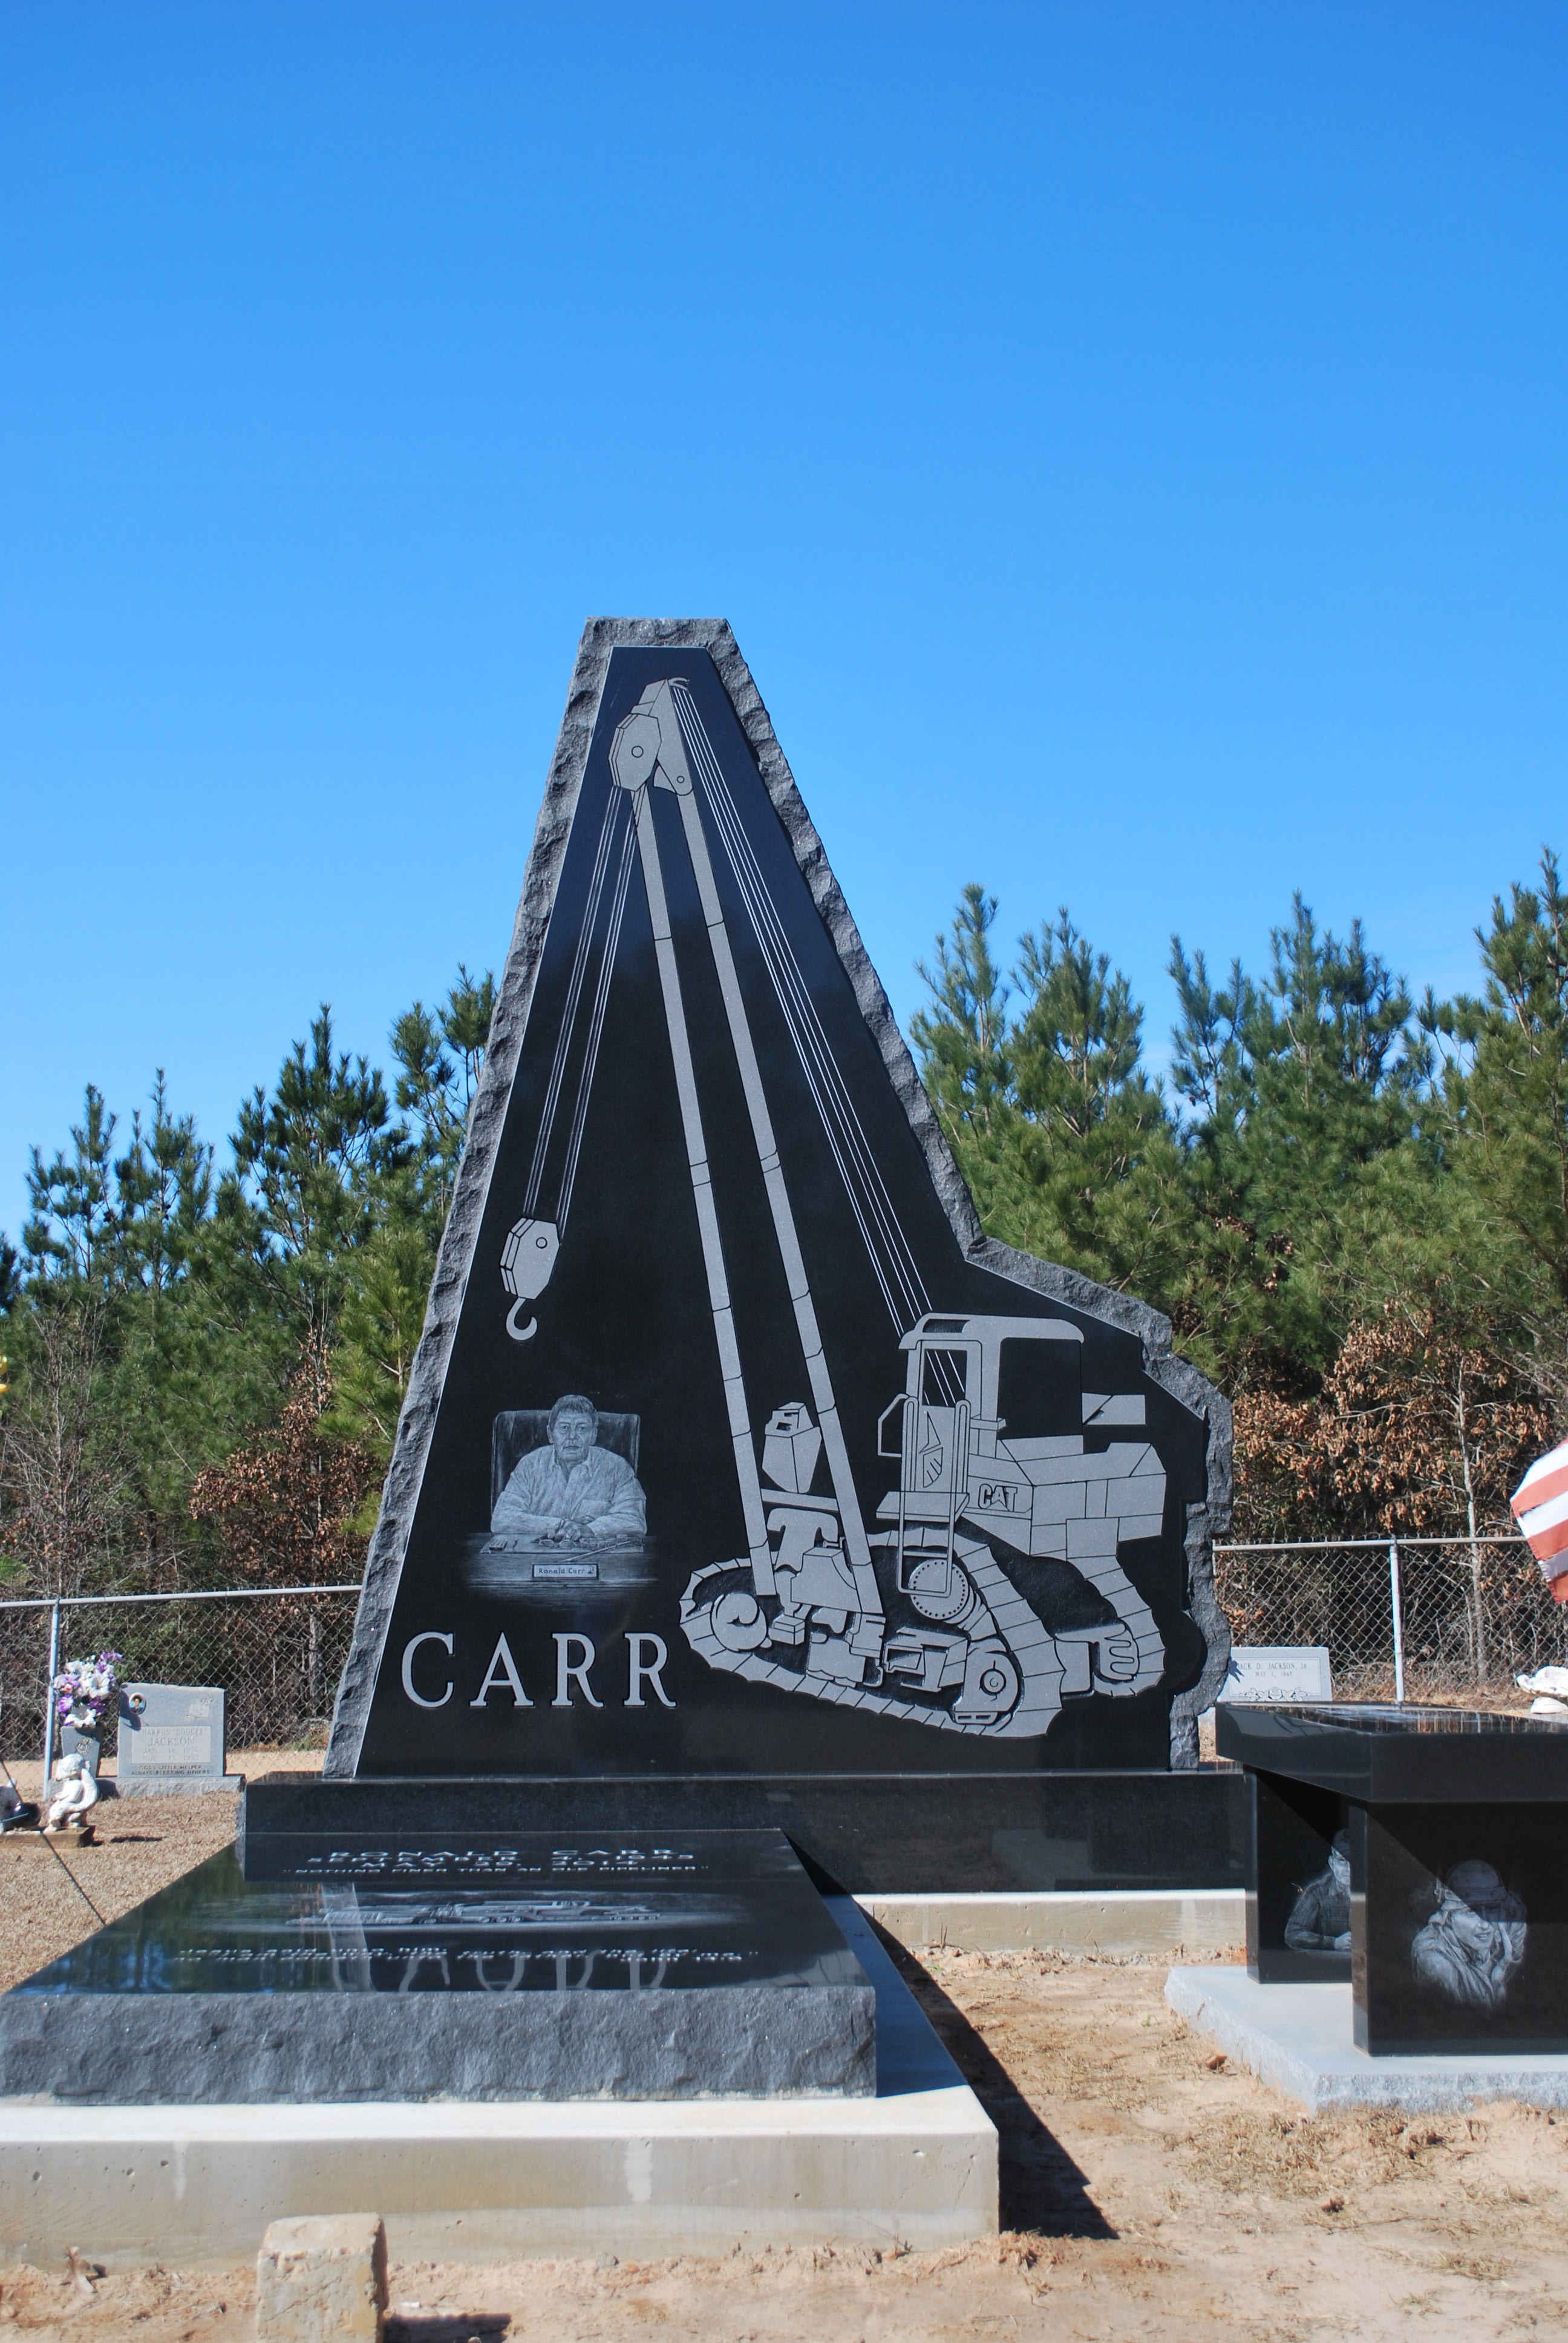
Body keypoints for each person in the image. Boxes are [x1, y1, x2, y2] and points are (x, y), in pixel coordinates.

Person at [491, 1394, 647, 1547]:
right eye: (564, 1428)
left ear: (594, 1435)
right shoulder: (530, 1465)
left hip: (596, 1560)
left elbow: (635, 1520)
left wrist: (590, 1529)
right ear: (550, 1434)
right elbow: (501, 1518)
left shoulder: (617, 1468)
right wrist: (561, 1524)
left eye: (582, 1428)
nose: (572, 1436)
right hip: (537, 1559)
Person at [1411, 1859, 1526, 2012]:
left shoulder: (1484, 1941)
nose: (1485, 1924)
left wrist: (1500, 1976)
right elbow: (1465, 2022)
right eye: (1471, 1912)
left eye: (1491, 1909)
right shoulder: (1434, 1960)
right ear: (1449, 1915)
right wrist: (1495, 1985)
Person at [1284, 1830, 1352, 1953]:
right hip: (1327, 1966)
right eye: (1342, 1861)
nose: (1348, 1869)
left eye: (1354, 1862)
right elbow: (1293, 1934)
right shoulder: (1317, 1893)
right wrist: (1333, 1943)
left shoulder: (1374, 1893)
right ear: (1332, 1863)